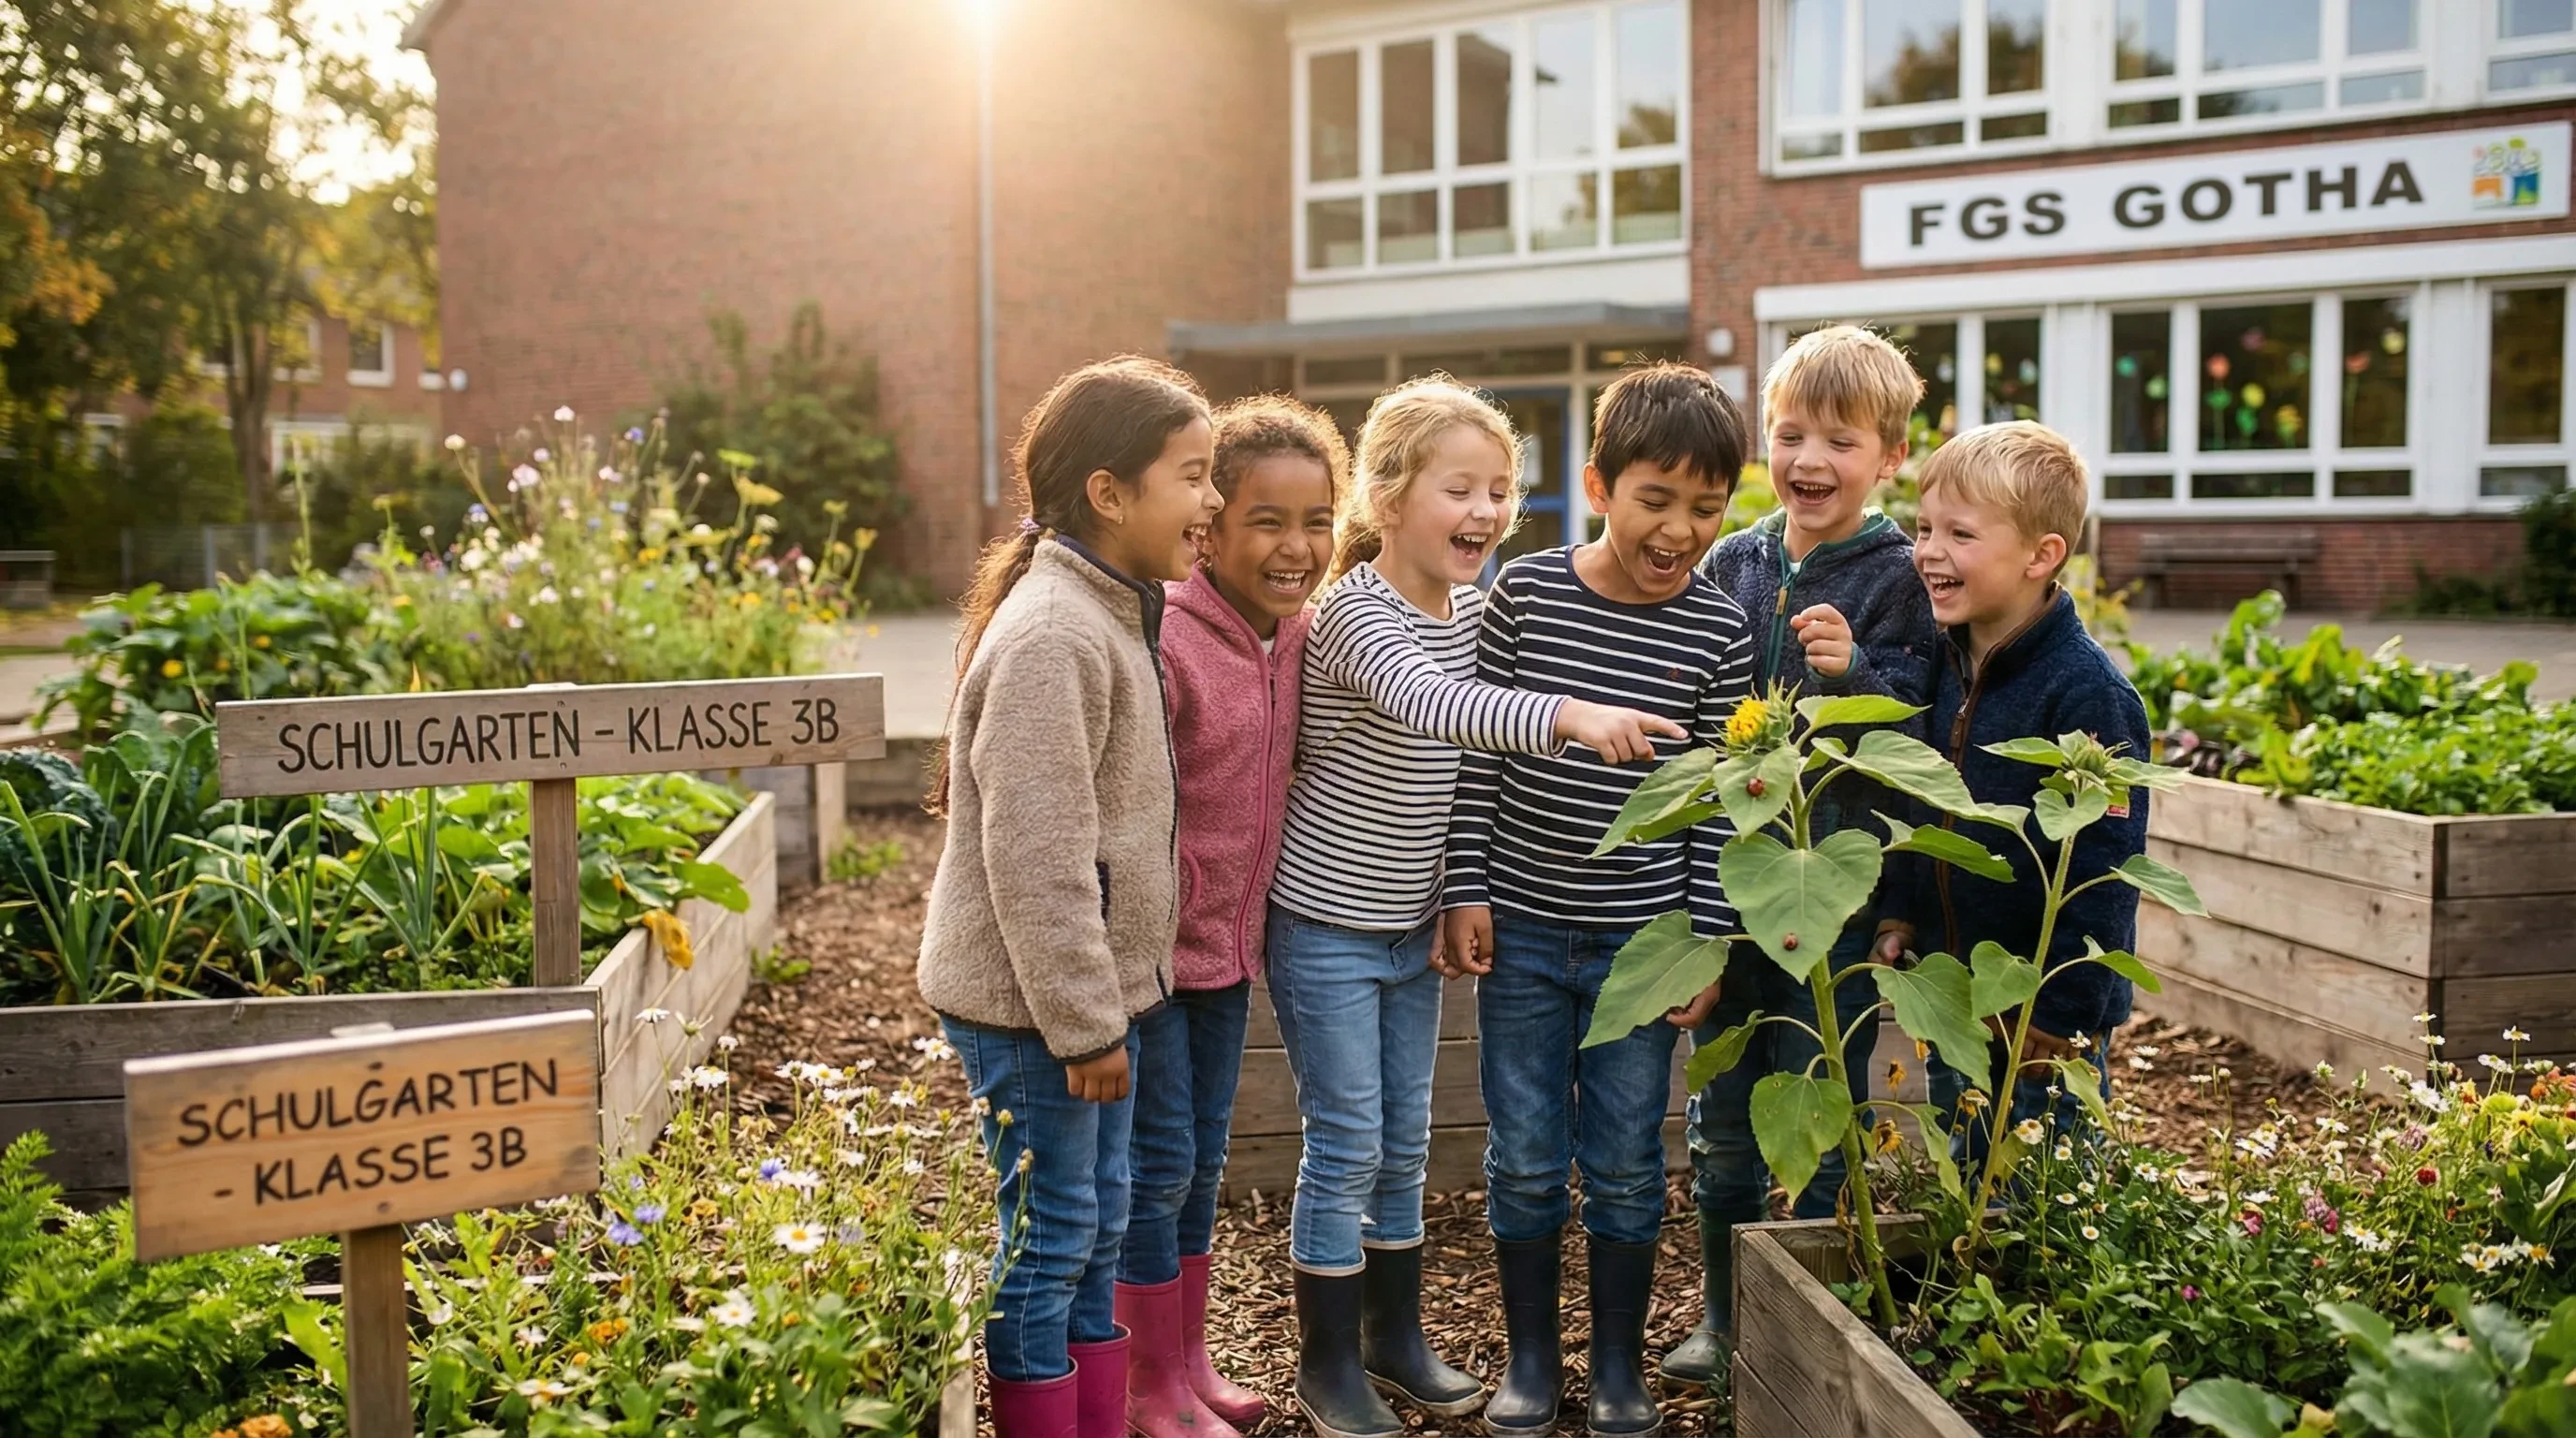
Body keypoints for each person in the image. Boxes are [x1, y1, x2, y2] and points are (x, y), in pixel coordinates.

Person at [1266, 376, 1685, 1438]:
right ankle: (1327, 1365)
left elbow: (1457, 761)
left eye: (1500, 491)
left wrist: (1459, 890)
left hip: (1409, 925)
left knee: (1405, 1140)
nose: (1486, 514)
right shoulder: (1353, 615)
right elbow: (1439, 707)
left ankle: (1393, 1338)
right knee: (1348, 1139)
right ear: (1389, 493)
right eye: (1461, 490)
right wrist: (1571, 716)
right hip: (1325, 923)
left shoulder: (1469, 605)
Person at [1438, 363, 1754, 1438]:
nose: (1678, 530)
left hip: (1643, 944)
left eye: (1705, 510)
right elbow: (1481, 753)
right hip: (1521, 931)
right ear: (1598, 486)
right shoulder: (1522, 595)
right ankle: (1534, 1364)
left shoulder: (1718, 632)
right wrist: (1465, 887)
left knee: (1624, 1162)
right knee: (1524, 1158)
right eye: (1654, 501)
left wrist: (1708, 939)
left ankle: (1614, 1369)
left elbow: (1718, 804)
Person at [916, 357, 1222, 1438]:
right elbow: (1036, 859)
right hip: (1033, 1014)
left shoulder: (1109, 609)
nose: (1212, 503)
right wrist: (1089, 1026)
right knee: (1052, 1238)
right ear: (1108, 491)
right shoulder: (1055, 634)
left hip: (1082, 1008)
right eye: (1191, 476)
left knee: (1088, 1230)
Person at [1669, 325, 1939, 1387]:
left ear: (1888, 457)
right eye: (1789, 434)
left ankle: (1814, 1325)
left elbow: (1915, 738)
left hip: (1838, 891)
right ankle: (1727, 1317)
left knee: (1823, 1109)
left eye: (1840, 438)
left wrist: (1852, 667)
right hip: (1734, 891)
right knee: (1724, 1122)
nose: (1808, 460)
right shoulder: (1732, 561)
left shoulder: (1901, 577)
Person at [1116, 397, 1347, 1438]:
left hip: (1226, 955)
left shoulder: (1299, 636)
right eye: (1266, 520)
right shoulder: (1167, 638)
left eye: (1315, 519)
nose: (1294, 546)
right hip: (1150, 958)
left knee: (1201, 1161)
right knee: (1157, 1165)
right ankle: (1143, 1387)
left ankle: (1188, 1362)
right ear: (1209, 526)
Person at [1881, 420, 2151, 1151]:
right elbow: (1921, 804)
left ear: (2043, 556)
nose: (1930, 551)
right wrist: (1901, 911)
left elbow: (2104, 872)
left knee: (2039, 1203)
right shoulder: (1941, 665)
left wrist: (2061, 1015)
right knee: (1964, 1180)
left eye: (1960, 535)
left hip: (2042, 1024)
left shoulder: (2088, 695)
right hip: (1956, 999)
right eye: (1924, 526)